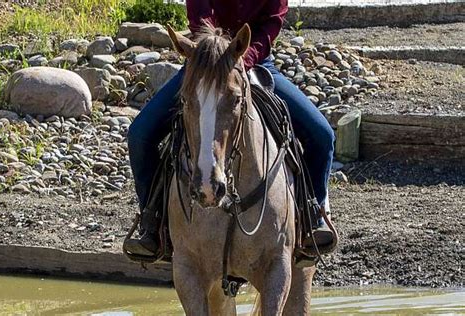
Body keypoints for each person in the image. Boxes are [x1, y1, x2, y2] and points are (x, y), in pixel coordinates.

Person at [125, 0, 335, 257]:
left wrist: (240, 60)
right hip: (204, 62)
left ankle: (313, 216)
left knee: (322, 135)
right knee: (139, 135)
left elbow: (271, 22)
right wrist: (216, 57)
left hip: (253, 61)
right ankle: (152, 222)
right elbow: (200, 17)